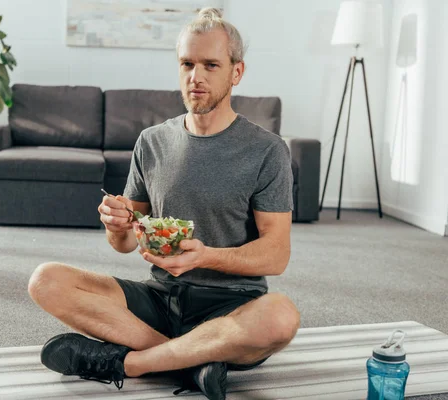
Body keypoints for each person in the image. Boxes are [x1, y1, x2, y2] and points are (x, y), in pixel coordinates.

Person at [28, 7, 300, 400]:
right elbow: (125, 243)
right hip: (160, 296)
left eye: (211, 64)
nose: (196, 77)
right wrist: (117, 225)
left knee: (280, 316)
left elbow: (276, 255)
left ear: (236, 72)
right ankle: (194, 363)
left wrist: (204, 256)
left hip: (232, 305)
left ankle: (131, 363)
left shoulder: (267, 150)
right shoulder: (152, 142)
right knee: (46, 280)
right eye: (187, 63)